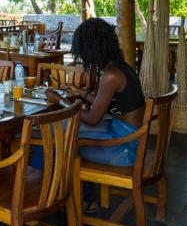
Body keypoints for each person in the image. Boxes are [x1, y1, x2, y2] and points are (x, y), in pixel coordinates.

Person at [46, 17, 147, 168]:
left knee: (65, 140)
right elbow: (105, 105)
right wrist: (81, 93)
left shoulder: (111, 75)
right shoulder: (121, 67)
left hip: (125, 148)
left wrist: (59, 100)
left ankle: (74, 189)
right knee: (61, 126)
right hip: (125, 134)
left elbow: (93, 118)